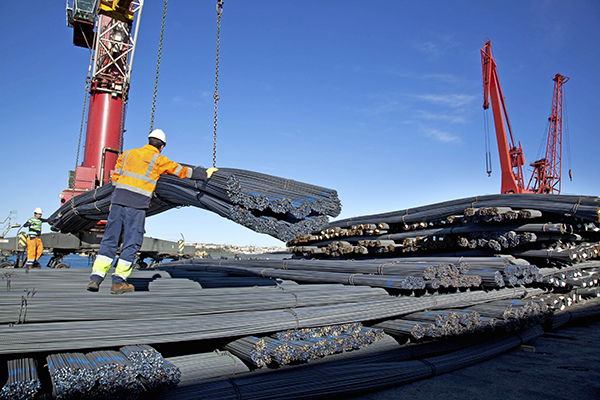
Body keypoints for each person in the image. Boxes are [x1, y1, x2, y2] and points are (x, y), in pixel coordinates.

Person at [87, 129, 217, 294]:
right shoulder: (158, 159)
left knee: (110, 239)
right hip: (137, 205)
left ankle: (96, 278)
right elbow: (182, 171)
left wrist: (117, 197)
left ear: (148, 140)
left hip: (118, 202)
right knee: (132, 241)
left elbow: (115, 178)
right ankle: (118, 281)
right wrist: (204, 174)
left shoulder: (128, 154)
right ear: (162, 146)